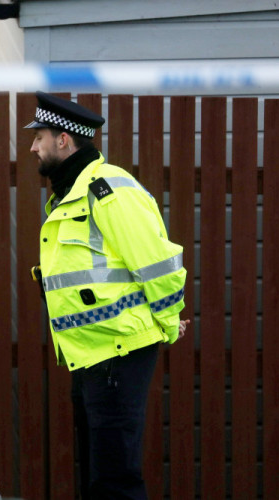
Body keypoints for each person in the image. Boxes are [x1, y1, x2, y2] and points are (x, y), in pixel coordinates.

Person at [26, 91, 189, 499]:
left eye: (39, 137)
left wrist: (168, 325)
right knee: (101, 477)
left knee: (115, 481)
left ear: (63, 139)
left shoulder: (108, 191)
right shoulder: (69, 194)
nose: (33, 146)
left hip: (117, 353)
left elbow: (158, 265)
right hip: (92, 355)